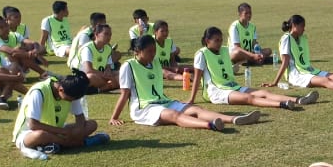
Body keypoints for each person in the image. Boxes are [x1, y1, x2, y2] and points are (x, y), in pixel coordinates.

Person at [110, 35, 260, 131]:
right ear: (138, 51)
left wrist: (182, 76)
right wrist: (114, 117)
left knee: (195, 109)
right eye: (149, 51)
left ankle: (234, 119)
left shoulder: (154, 62)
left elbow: (166, 74)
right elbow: (125, 94)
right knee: (174, 115)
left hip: (163, 101)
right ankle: (211, 125)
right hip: (144, 108)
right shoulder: (128, 66)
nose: (153, 54)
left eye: (154, 50)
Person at [190, 27, 316, 112]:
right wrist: (191, 99)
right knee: (249, 99)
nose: (219, 42)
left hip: (232, 86)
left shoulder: (223, 50)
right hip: (216, 92)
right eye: (216, 40)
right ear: (207, 41)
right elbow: (197, 78)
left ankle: (298, 100)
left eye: (221, 40)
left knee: (263, 93)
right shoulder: (201, 54)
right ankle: (282, 104)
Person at [12, 72, 108, 159]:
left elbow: (80, 118)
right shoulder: (38, 92)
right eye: (69, 99)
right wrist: (63, 132)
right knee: (41, 135)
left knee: (91, 124)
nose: (70, 101)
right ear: (61, 89)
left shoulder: (72, 92)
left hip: (57, 131)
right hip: (28, 134)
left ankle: (53, 146)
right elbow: (33, 125)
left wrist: (78, 131)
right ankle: (78, 143)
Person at [270, 15, 333, 92]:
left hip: (308, 70)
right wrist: (275, 82)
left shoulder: (302, 38)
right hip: (296, 75)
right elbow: (285, 62)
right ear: (294, 25)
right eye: (302, 26)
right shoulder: (286, 39)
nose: (304, 29)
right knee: (325, 81)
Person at [0, 14, 48, 79]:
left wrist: (36, 50)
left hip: (13, 64)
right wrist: (34, 55)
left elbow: (32, 43)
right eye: (1, 27)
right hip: (0, 68)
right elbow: (11, 52)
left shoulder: (14, 35)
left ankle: (41, 74)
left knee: (27, 48)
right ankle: (42, 73)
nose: (5, 28)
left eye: (6, 25)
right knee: (15, 53)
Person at [75, 23, 119, 93]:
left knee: (121, 74)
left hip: (101, 76)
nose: (109, 37)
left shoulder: (108, 48)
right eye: (106, 34)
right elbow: (88, 70)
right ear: (96, 34)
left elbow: (108, 67)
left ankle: (99, 89)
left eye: (110, 35)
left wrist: (108, 72)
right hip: (84, 77)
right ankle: (110, 85)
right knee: (90, 77)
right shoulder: (88, 48)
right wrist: (108, 77)